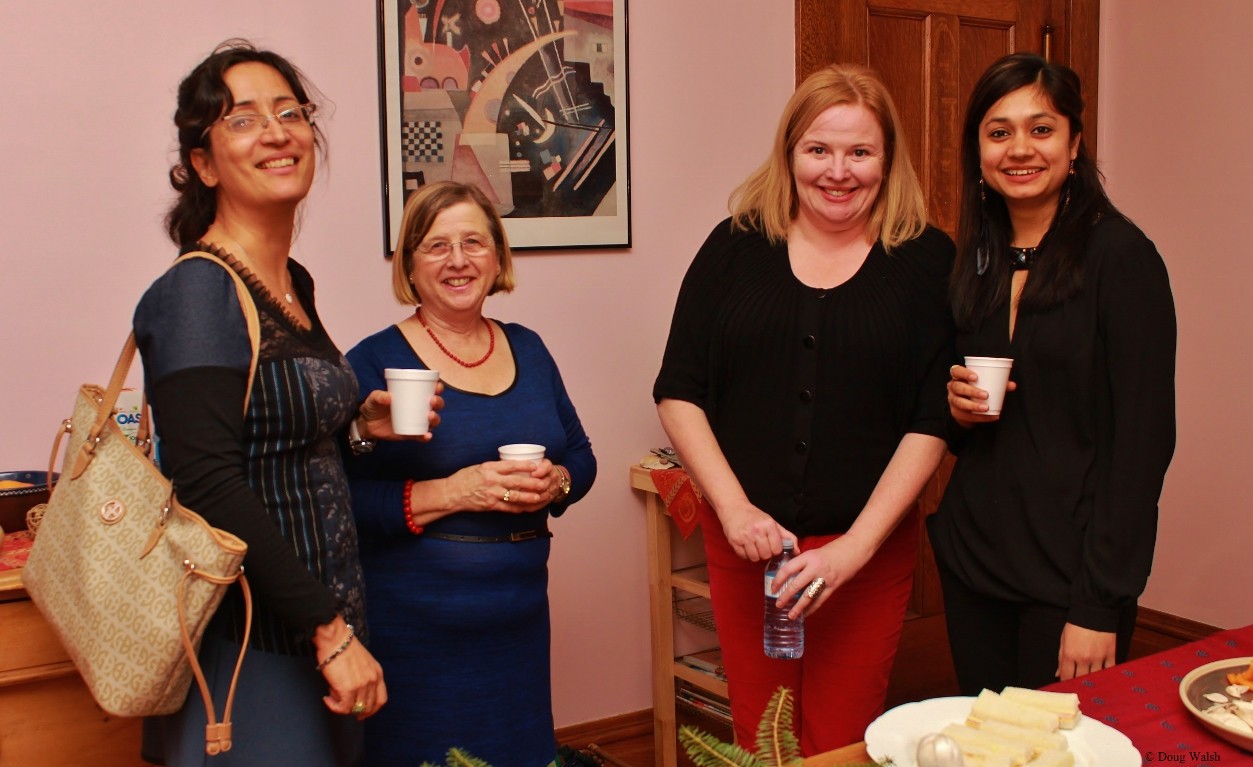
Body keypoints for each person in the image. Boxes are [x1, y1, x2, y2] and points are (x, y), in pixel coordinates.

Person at [134, 40, 441, 766]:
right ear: (204, 164)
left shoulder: (289, 281)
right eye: (242, 120)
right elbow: (207, 482)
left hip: (313, 629)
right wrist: (328, 632)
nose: (276, 132)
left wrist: (356, 425)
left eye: (290, 113)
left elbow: (273, 438)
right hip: (249, 643)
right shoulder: (199, 291)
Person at [653, 64, 955, 753]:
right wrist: (734, 510)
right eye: (819, 149)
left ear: (887, 159)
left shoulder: (926, 261)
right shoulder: (734, 246)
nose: (838, 171)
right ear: (789, 153)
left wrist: (854, 548)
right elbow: (679, 390)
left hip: (864, 555)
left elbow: (932, 419)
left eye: (860, 151)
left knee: (839, 743)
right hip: (749, 548)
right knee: (764, 737)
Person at [928, 53, 1176, 695]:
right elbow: (955, 421)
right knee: (986, 737)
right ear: (978, 149)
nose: (1020, 149)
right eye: (999, 131)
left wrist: (1099, 603)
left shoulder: (1122, 258)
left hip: (1071, 578)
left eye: (1041, 129)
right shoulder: (975, 259)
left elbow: (1143, 445)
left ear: (1074, 144)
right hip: (973, 561)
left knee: (1057, 741)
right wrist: (956, 411)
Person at [343, 180, 597, 766]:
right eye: (437, 246)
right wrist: (457, 491)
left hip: (519, 626)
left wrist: (556, 483)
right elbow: (341, 501)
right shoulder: (373, 362)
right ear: (410, 265)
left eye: (474, 243)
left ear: (498, 257)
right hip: (415, 633)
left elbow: (582, 456)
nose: (458, 260)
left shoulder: (529, 349)